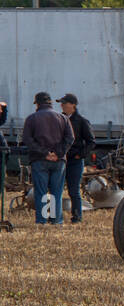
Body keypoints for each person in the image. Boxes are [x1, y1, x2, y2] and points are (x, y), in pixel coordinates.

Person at [21, 92, 73, 226]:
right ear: (50, 103)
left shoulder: (31, 118)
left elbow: (27, 139)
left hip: (39, 160)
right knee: (56, 192)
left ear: (37, 104)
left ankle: (42, 220)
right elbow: (70, 138)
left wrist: (45, 153)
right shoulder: (63, 118)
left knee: (42, 192)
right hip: (59, 161)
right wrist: (58, 153)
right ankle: (56, 220)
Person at [59, 94, 94, 224]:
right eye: (61, 103)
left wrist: (81, 155)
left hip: (75, 161)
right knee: (55, 189)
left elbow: (91, 141)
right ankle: (55, 217)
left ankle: (77, 217)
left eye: (64, 103)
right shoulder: (60, 119)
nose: (62, 105)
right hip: (61, 159)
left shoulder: (82, 121)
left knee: (74, 190)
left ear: (73, 105)